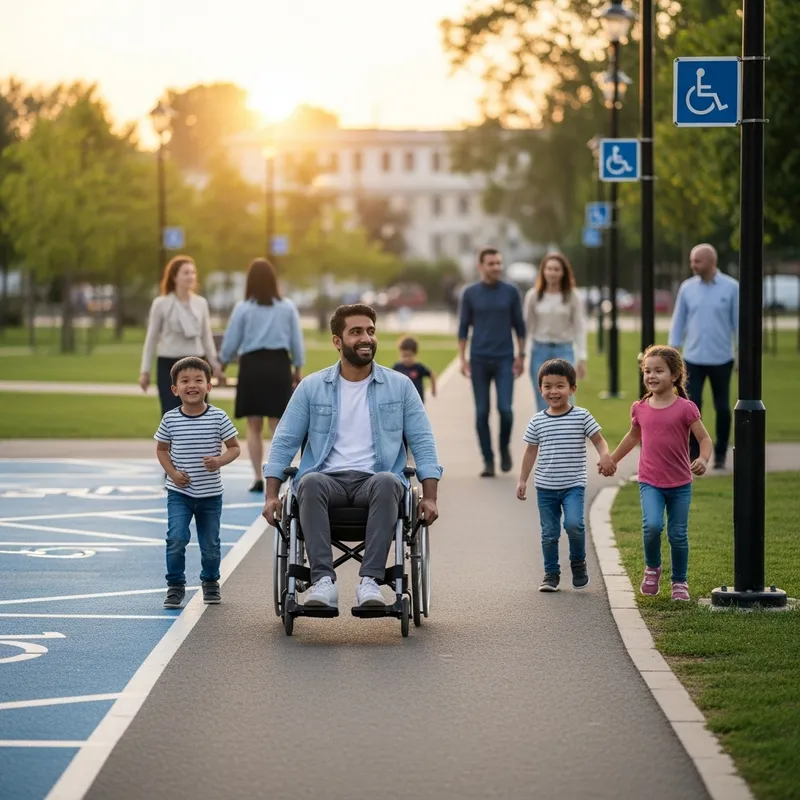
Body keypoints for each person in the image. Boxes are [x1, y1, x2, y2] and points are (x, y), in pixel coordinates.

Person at [261, 304, 442, 609]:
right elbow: (284, 441)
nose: (366, 338)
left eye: (371, 331)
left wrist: (430, 496)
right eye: (356, 331)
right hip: (325, 483)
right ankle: (322, 582)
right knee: (309, 482)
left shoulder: (400, 387)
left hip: (376, 483)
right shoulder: (312, 387)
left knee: (388, 481)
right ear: (337, 341)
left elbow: (423, 442)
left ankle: (371, 582)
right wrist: (270, 494)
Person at [602, 345, 713, 602]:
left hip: (680, 483)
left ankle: (679, 582)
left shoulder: (686, 408)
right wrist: (612, 460)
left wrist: (703, 459)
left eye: (658, 371)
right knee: (652, 526)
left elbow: (704, 439)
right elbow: (632, 437)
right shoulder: (640, 408)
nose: (651, 376)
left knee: (677, 534)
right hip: (650, 481)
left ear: (674, 375)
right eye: (647, 371)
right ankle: (652, 568)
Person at [516, 358, 615, 592]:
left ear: (572, 388)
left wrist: (605, 456)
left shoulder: (581, 416)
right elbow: (530, 452)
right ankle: (551, 574)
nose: (553, 391)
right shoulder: (537, 421)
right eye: (547, 386)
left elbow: (599, 441)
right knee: (549, 533)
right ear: (540, 389)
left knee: (574, 525)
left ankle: (578, 562)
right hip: (545, 487)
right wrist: (522, 480)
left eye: (560, 385)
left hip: (573, 485)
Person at [155, 357, 241, 609]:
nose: (192, 385)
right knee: (176, 537)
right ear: (175, 389)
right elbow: (161, 450)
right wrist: (172, 473)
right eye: (184, 381)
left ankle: (210, 582)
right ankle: (175, 585)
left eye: (198, 380)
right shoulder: (170, 419)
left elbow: (235, 448)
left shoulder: (218, 417)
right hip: (179, 493)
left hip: (210, 495)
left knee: (210, 543)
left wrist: (219, 460)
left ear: (209, 386)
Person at [218, 258, 305, 493]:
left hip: (252, 366)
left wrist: (222, 364)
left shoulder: (243, 307)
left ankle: (257, 475)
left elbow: (232, 340)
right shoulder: (287, 307)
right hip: (278, 365)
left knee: (253, 425)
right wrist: (297, 367)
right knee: (278, 424)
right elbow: (296, 340)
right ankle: (277, 473)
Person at [668, 243, 738, 469]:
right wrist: (672, 351)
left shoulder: (731, 288)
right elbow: (678, 321)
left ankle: (719, 455)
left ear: (711, 261)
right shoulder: (687, 288)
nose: (693, 265)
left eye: (697, 261)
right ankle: (693, 454)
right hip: (693, 359)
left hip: (722, 358)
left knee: (722, 407)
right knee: (691, 406)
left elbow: (739, 324)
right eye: (691, 260)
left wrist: (742, 355)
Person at [458, 248, 526, 478]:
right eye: (491, 264)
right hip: (478, 360)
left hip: (505, 358)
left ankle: (504, 447)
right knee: (481, 412)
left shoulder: (511, 292)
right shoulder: (470, 293)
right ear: (481, 266)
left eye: (498, 263)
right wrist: (462, 358)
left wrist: (522, 355)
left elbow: (519, 325)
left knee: (505, 410)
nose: (496, 267)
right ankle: (488, 460)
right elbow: (463, 328)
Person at [140, 255, 223, 416]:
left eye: (193, 272)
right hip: (168, 364)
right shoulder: (161, 304)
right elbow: (151, 339)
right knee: (171, 413)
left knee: (199, 413)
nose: (191, 276)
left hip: (196, 363)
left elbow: (206, 336)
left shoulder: (201, 303)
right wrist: (145, 371)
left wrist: (215, 364)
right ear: (174, 276)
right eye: (186, 273)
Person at [523, 253, 588, 413]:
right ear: (543, 272)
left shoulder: (572, 296)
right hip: (539, 350)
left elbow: (579, 327)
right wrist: (522, 354)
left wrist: (582, 357)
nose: (552, 273)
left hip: (563, 349)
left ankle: (568, 434)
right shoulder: (533, 296)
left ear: (563, 272)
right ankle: (543, 435)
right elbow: (527, 327)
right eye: (549, 269)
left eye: (556, 269)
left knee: (566, 396)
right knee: (542, 397)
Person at [393, 336, 437, 404]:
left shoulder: (418, 367)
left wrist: (433, 389)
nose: (406, 359)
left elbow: (431, 374)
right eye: (404, 356)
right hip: (402, 400)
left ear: (415, 354)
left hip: (417, 401)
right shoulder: (397, 367)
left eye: (409, 356)